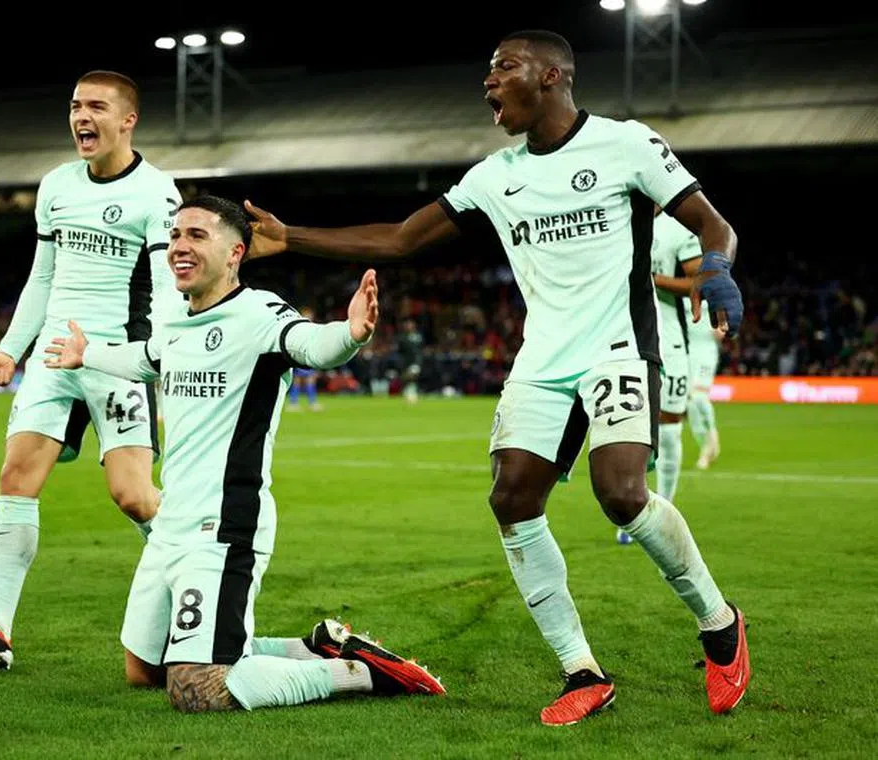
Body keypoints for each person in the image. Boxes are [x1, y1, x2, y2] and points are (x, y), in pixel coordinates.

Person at [243, 30, 748, 725]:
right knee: (512, 500)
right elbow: (399, 240)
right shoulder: (495, 174)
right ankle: (582, 669)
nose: (488, 83)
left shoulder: (627, 145)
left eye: (502, 68)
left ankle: (719, 624)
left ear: (550, 75)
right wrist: (290, 236)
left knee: (622, 494)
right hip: (542, 360)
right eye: (487, 71)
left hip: (620, 348)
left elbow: (711, 223)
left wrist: (717, 268)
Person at [43, 195, 445, 712]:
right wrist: (87, 354)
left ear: (235, 253)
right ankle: (313, 647)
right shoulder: (179, 323)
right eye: (175, 236)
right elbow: (146, 359)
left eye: (197, 236)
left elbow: (311, 345)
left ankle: (359, 673)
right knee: (144, 670)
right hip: (171, 525)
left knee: (197, 690)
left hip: (225, 527)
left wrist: (350, 334)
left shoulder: (259, 313)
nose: (179, 247)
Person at [0, 70, 184, 670]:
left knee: (132, 496)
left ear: (128, 120)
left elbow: (168, 288)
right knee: (15, 479)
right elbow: (42, 277)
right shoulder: (56, 186)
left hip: (113, 359)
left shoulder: (158, 192)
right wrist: (10, 350)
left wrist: (166, 354)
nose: (81, 116)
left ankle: (197, 596)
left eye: (96, 106)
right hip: (52, 357)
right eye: (75, 106)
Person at [616, 205, 703, 545]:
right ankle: (633, 512)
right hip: (625, 339)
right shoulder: (615, 220)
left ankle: (664, 510)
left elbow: (699, 280)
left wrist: (652, 280)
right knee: (628, 430)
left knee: (668, 430)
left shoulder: (677, 230)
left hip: (671, 341)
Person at [685, 295, 723, 469]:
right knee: (690, 404)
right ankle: (705, 445)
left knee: (699, 397)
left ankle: (711, 437)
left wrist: (724, 327)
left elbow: (726, 315)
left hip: (706, 350)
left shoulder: (712, 289)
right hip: (685, 351)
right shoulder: (677, 289)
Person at [286, 306, 324, 411]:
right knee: (298, 381)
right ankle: (294, 403)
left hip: (309, 357)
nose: (309, 317)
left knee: (310, 380)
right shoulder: (299, 327)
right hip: (300, 357)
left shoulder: (312, 327)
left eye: (310, 315)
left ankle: (311, 403)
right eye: (307, 315)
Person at [396, 318, 424, 403]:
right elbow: (400, 351)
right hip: (405, 363)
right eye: (407, 324)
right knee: (405, 379)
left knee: (412, 376)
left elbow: (420, 349)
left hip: (416, 362)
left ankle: (412, 393)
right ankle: (409, 393)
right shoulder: (402, 338)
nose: (408, 326)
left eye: (410, 324)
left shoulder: (419, 337)